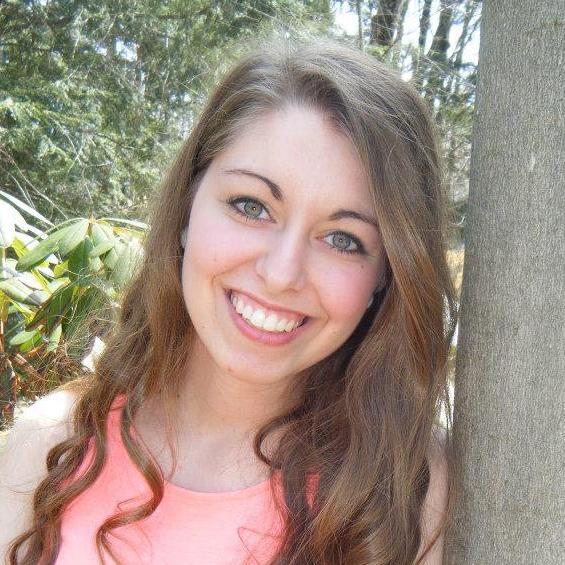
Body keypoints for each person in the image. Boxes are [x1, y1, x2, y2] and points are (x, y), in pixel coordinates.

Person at [0, 34, 460, 564]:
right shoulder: (52, 444)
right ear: (187, 206)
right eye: (252, 206)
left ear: (385, 277)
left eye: (342, 239)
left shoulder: (404, 493)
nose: (281, 274)